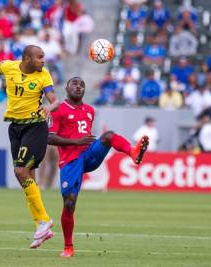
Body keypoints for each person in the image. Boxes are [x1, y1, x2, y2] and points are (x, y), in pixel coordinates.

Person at [48, 77, 149, 258]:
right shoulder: (58, 109)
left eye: (82, 85)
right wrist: (75, 141)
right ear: (66, 87)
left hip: (88, 155)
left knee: (108, 136)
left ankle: (133, 153)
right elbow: (50, 137)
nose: (78, 87)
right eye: (75, 84)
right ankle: (68, 247)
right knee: (69, 204)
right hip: (70, 162)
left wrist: (82, 143)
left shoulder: (90, 110)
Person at [0, 45, 60, 249]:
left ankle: (44, 220)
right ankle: (40, 228)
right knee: (29, 180)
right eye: (40, 57)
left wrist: (49, 107)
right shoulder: (9, 67)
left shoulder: (44, 75)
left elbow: (55, 100)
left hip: (35, 126)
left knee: (20, 171)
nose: (44, 60)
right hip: (15, 127)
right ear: (27, 58)